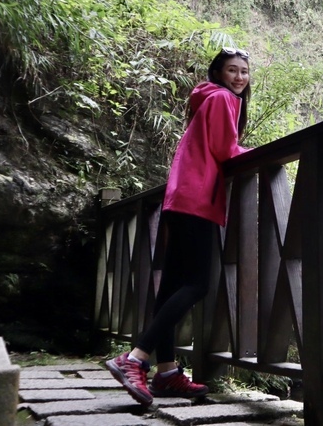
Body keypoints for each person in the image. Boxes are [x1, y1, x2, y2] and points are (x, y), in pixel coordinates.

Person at [106, 47, 252, 406]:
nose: (239, 77)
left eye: (244, 71)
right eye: (232, 70)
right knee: (197, 284)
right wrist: (255, 154)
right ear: (218, 73)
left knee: (171, 285)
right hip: (198, 200)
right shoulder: (222, 99)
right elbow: (223, 149)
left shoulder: (206, 98)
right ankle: (135, 358)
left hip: (181, 197)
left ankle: (167, 373)